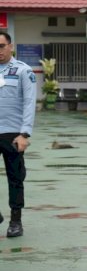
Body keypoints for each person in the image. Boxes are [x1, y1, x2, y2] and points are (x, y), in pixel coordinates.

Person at [0, 31, 37, 237]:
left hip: (13, 134)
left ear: (10, 46)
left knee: (15, 178)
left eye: (1, 46)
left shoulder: (23, 71)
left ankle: (15, 221)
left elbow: (29, 103)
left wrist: (25, 133)